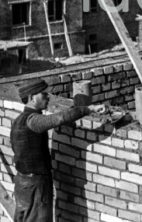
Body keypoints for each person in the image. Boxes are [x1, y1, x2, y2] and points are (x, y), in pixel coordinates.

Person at [11, 78, 106, 222]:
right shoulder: (33, 121)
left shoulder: (18, 120)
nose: (48, 97)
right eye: (43, 94)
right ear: (31, 98)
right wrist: (88, 109)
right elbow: (59, 118)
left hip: (22, 182)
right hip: (35, 184)